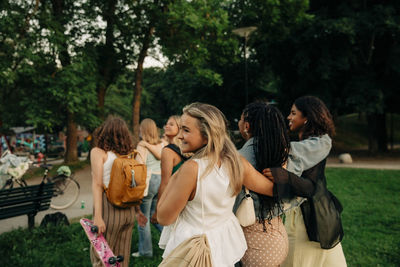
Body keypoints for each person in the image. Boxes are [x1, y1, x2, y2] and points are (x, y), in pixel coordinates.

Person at [157, 102, 275, 267]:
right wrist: (283, 175)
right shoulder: (236, 163)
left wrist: (174, 178)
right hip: (222, 246)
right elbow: (273, 189)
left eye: (186, 130)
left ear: (207, 136)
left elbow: (163, 217)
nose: (179, 136)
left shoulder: (192, 168)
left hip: (192, 250)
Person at [264, 96, 347, 267]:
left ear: (306, 118)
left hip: (308, 220)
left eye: (293, 113)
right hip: (308, 215)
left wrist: (284, 176)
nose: (289, 117)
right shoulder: (305, 147)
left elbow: (310, 188)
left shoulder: (315, 147)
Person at [234, 102, 290, 266]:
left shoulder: (240, 158)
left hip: (254, 242)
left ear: (246, 125)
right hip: (277, 234)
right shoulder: (280, 152)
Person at [90, 116, 147, 267]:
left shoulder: (99, 152)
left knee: (102, 258)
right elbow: (131, 187)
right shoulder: (129, 155)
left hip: (108, 208)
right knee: (122, 259)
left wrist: (97, 216)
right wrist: (137, 211)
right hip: (128, 211)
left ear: (104, 132)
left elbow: (97, 184)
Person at [141, 115, 187, 225]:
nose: (166, 126)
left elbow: (165, 182)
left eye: (171, 124)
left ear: (179, 128)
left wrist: (158, 210)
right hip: (184, 199)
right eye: (166, 123)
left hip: (172, 198)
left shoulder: (168, 151)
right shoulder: (186, 149)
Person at [132, 118, 165, 258]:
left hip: (148, 181)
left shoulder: (142, 146)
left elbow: (139, 168)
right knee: (153, 216)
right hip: (160, 181)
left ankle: (146, 251)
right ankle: (172, 243)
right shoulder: (162, 144)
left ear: (143, 130)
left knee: (143, 218)